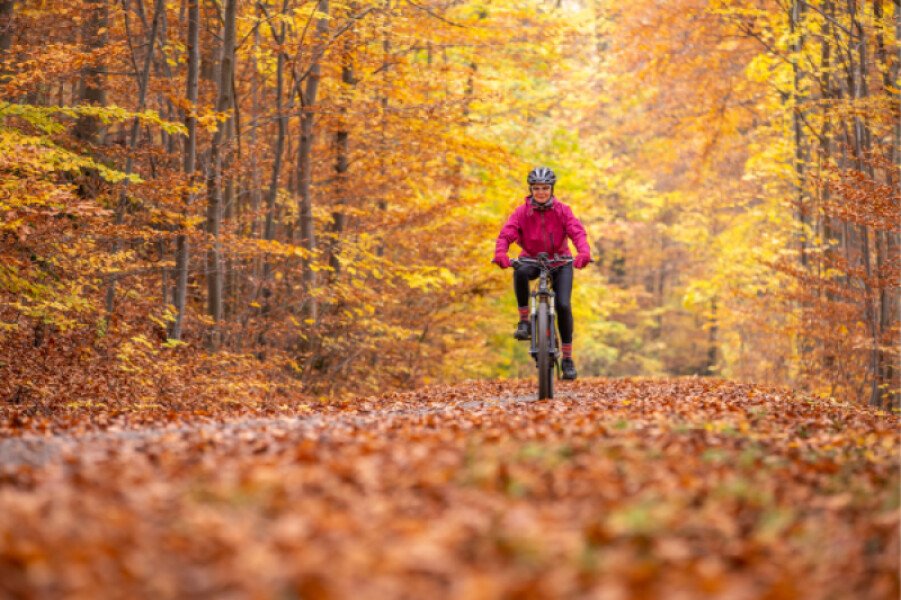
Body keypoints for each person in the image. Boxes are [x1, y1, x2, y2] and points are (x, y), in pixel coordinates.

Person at [493, 166, 591, 380]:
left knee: (564, 305)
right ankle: (524, 321)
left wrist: (583, 252)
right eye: (536, 188)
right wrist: (501, 253)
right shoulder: (521, 212)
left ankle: (567, 359)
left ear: (551, 189)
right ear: (531, 189)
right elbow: (507, 233)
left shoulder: (563, 210)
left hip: (560, 261)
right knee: (519, 272)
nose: (541, 192)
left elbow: (577, 231)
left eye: (545, 188)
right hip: (531, 258)